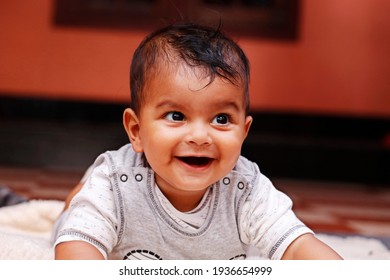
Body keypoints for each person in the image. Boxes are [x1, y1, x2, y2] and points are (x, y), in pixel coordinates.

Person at [53, 22, 342, 260]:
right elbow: (78, 246)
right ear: (137, 131)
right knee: (80, 209)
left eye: (221, 119)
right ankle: (78, 195)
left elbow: (296, 247)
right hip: (109, 193)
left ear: (244, 131)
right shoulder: (117, 183)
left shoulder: (246, 188)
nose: (200, 137)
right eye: (176, 115)